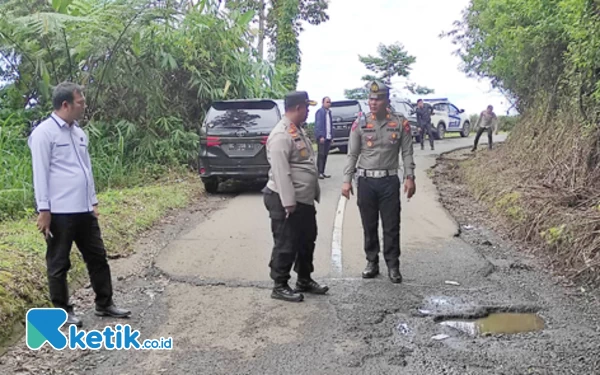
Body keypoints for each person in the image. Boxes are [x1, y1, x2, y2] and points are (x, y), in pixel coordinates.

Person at [28, 82, 131, 327]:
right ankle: (63, 312)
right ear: (65, 105)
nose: (83, 106)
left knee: (97, 257)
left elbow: (86, 170)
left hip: (84, 209)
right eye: (80, 102)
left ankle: (104, 303)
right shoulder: (44, 133)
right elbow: (39, 173)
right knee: (59, 263)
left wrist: (93, 201)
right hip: (60, 212)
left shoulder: (79, 133)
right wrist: (44, 210)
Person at [341, 81, 416, 284]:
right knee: (369, 224)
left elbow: (407, 152)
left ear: (386, 100)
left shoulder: (401, 122)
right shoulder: (361, 123)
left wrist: (410, 177)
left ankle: (393, 265)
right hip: (366, 181)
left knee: (391, 225)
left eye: (378, 98)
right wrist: (346, 181)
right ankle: (371, 262)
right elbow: (352, 154)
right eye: (371, 99)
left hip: (389, 181)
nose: (373, 103)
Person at [263, 91, 329, 302]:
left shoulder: (296, 130)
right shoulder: (281, 135)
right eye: (306, 108)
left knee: (306, 240)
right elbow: (282, 172)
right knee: (286, 242)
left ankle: (304, 279)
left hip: (303, 199)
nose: (308, 111)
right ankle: (280, 284)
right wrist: (289, 203)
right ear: (298, 108)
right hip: (286, 200)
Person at [314, 96, 333, 179]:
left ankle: (322, 171)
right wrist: (320, 136)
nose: (329, 103)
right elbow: (318, 125)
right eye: (327, 102)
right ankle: (319, 172)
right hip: (322, 137)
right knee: (321, 155)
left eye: (329, 102)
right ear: (323, 103)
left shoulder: (329, 113)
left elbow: (330, 125)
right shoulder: (320, 112)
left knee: (325, 155)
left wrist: (332, 136)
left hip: (328, 137)